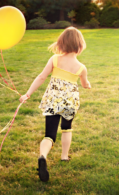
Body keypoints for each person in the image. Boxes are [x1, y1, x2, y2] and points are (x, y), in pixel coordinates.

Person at [19, 27, 91, 182]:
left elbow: (41, 77)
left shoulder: (55, 60)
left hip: (53, 101)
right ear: (80, 46)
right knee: (67, 129)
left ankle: (43, 156)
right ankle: (64, 156)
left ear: (62, 43)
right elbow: (85, 84)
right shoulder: (81, 68)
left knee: (49, 135)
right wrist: (88, 84)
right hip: (69, 103)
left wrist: (27, 94)